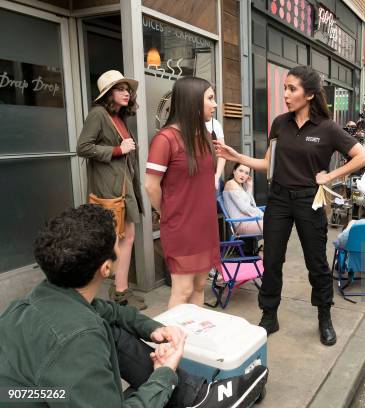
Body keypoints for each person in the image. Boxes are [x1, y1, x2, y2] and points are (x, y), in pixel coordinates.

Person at [0, 204, 268, 408]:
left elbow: (109, 311)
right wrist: (163, 375)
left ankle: (196, 396)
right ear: (106, 267)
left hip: (34, 393)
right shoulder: (78, 340)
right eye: (117, 240)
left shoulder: (41, 298)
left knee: (112, 327)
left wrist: (153, 329)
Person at [214, 65, 365, 345]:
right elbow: (267, 164)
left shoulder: (327, 128)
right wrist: (237, 155)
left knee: (316, 262)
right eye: (285, 88)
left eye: (292, 89)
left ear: (309, 94)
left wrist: (331, 176)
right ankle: (269, 314)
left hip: (310, 200)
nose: (285, 94)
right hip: (279, 199)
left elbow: (363, 157)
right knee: (272, 259)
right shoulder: (280, 123)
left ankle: (324, 315)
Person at [145, 77, 221, 309]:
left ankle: (193, 341)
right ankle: (174, 341)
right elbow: (150, 186)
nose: (215, 104)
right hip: (181, 226)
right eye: (210, 98)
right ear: (192, 102)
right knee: (183, 289)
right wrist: (166, 212)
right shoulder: (165, 139)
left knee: (199, 287)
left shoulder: (205, 135)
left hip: (205, 224)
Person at [76, 70, 146, 310]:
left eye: (127, 89)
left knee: (129, 237)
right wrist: (117, 150)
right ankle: (93, 292)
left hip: (124, 186)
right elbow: (83, 147)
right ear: (108, 94)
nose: (126, 93)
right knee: (112, 241)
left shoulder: (119, 117)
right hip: (109, 189)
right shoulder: (98, 114)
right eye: (120, 89)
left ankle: (121, 292)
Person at [223, 163, 264, 236]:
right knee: (275, 226)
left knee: (278, 224)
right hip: (242, 224)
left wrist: (249, 187)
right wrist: (262, 214)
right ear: (234, 171)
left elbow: (252, 205)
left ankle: (268, 247)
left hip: (250, 220)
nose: (243, 175)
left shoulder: (239, 185)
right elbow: (245, 209)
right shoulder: (231, 184)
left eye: (246, 173)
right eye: (240, 171)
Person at [206, 117, 227, 190]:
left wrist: (216, 176)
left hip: (212, 174)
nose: (215, 105)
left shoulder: (215, 124)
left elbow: (222, 153)